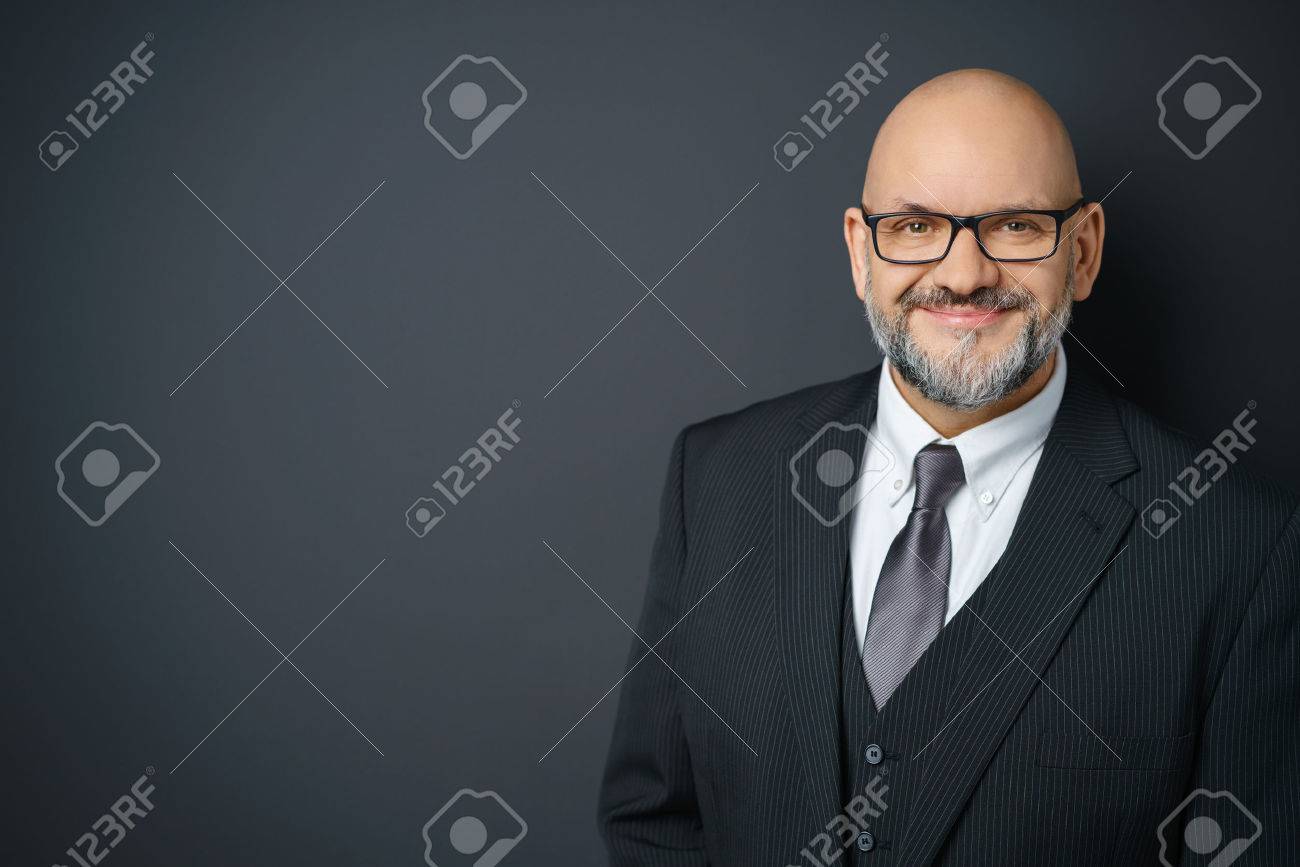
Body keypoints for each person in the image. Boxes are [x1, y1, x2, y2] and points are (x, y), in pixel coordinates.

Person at [598, 68, 1299, 865]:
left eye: (1016, 225)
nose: (964, 275)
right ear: (861, 251)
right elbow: (653, 820)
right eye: (915, 226)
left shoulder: (1242, 547)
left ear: (1083, 250)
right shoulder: (717, 478)